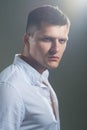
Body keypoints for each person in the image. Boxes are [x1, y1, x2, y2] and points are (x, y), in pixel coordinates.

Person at [0, 5, 70, 130]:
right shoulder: (10, 87)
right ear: (27, 40)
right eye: (47, 39)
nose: (56, 49)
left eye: (62, 41)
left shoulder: (42, 77)